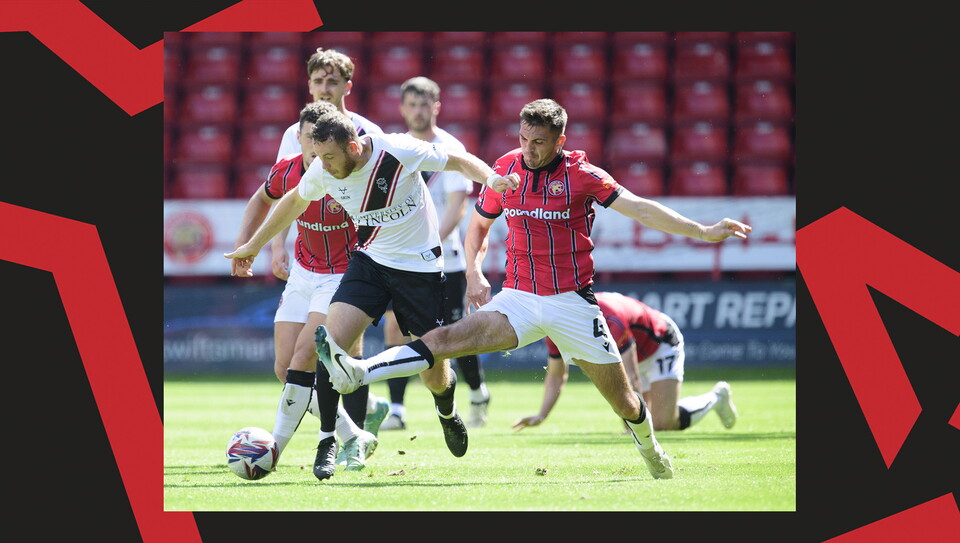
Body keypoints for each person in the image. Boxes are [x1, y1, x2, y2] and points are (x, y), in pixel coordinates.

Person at [313, 98, 752, 480]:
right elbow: (479, 226)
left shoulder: (583, 175)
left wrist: (702, 231)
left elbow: (639, 208)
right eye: (523, 138)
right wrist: (473, 270)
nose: (528, 148)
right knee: (442, 339)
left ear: (559, 140)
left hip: (571, 304)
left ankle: (651, 448)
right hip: (518, 300)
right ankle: (360, 371)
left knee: (627, 405)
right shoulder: (505, 169)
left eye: (538, 142)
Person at [224, 101, 520, 481]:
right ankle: (329, 440)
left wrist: (492, 179)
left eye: (329, 157)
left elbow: (458, 160)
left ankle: (445, 408)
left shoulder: (396, 149)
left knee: (433, 369)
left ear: (352, 146)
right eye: (319, 157)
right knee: (327, 346)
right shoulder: (322, 167)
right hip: (369, 263)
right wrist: (254, 245)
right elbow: (294, 201)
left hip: (419, 269)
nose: (323, 166)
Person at [231, 102, 379, 473]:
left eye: (322, 140)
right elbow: (260, 199)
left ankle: (272, 452)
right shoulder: (287, 171)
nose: (316, 148)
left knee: (303, 358)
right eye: (309, 138)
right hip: (302, 273)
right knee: (284, 369)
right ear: (298, 138)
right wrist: (246, 243)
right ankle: (352, 434)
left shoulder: (347, 174)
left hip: (340, 275)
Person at [274, 46, 393, 440]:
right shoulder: (295, 135)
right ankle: (362, 419)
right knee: (297, 364)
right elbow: (285, 195)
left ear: (347, 86)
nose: (325, 88)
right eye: (318, 81)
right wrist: (277, 245)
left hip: (352, 263)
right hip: (308, 259)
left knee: (338, 352)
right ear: (308, 85)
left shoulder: (365, 133)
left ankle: (351, 436)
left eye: (333, 81)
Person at [378, 76, 491, 432]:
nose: (417, 111)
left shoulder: (450, 146)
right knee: (396, 327)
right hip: (403, 260)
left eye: (424, 105)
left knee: (454, 336)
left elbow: (458, 207)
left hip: (448, 260)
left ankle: (476, 391)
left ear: (436, 107)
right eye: (411, 105)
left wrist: (431, 241)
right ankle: (396, 408)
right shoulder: (395, 148)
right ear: (402, 108)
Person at [512, 291, 738, 433]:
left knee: (662, 425)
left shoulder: (608, 320)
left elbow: (630, 377)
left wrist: (633, 428)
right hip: (631, 356)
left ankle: (716, 398)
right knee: (652, 421)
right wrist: (542, 414)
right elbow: (556, 374)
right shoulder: (556, 327)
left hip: (660, 343)